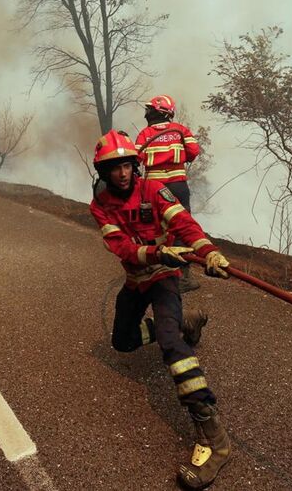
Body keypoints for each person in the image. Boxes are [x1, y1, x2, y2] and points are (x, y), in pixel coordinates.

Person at [89, 129, 233, 489]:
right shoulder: (100, 205)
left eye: (126, 165)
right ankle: (186, 323)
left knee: (172, 346)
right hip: (137, 279)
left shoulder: (153, 190)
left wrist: (208, 251)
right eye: (114, 168)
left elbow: (183, 222)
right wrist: (155, 252)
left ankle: (213, 435)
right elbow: (121, 247)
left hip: (165, 277)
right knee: (122, 342)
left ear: (134, 165)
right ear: (103, 173)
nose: (122, 173)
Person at [135, 95, 201, 293]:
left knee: (154, 226)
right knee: (181, 225)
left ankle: (155, 270)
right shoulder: (180, 130)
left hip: (154, 188)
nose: (146, 113)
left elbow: (136, 157)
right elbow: (193, 151)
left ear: (159, 111)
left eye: (149, 109)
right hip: (178, 186)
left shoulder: (145, 134)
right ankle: (184, 276)